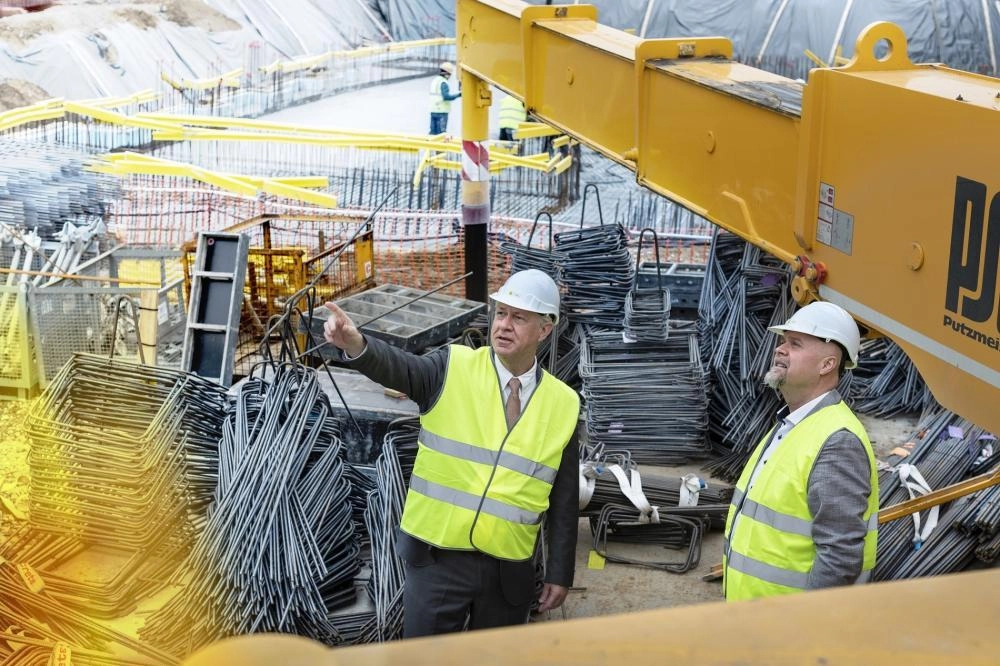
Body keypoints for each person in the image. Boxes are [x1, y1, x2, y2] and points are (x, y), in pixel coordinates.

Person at [322, 269, 580, 637]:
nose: (504, 325)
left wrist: (559, 571)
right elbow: (400, 368)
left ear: (545, 329)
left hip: (509, 566)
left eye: (519, 317)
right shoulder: (452, 367)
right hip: (437, 558)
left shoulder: (564, 404)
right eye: (501, 313)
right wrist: (355, 344)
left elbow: (564, 497)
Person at [722, 301, 879, 601]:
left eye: (795, 344)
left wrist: (804, 623)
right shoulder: (791, 423)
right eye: (783, 342)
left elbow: (840, 555)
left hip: (788, 628)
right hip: (755, 618)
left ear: (827, 365)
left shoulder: (837, 441)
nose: (780, 350)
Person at [429, 61, 461, 135]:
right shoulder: (443, 82)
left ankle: (431, 146)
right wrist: (459, 95)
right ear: (447, 74)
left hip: (433, 110)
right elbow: (446, 97)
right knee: (441, 134)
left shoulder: (434, 80)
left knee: (432, 134)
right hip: (442, 112)